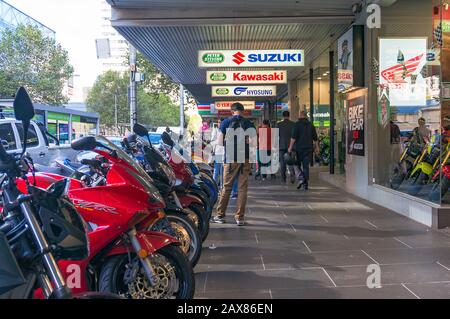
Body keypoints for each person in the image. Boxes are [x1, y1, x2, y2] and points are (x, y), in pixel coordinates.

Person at [213, 102, 255, 226]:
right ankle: (239, 218)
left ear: (232, 111)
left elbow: (220, 142)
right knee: (242, 188)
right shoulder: (248, 123)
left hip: (231, 158)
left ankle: (220, 215)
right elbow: (253, 143)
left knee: (227, 187)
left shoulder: (226, 122)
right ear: (243, 111)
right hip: (245, 158)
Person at [288, 110, 318, 190]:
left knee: (296, 164)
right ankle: (306, 183)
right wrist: (317, 148)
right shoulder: (311, 125)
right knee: (306, 166)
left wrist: (290, 148)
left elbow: (293, 138)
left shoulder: (297, 125)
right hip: (308, 149)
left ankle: (302, 179)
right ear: (306, 116)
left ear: (300, 115)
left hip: (299, 149)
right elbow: (315, 138)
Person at [277, 111, 296, 183]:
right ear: (289, 115)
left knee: (282, 163)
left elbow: (276, 136)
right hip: (291, 146)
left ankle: (283, 178)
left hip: (281, 146)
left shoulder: (279, 124)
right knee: (290, 161)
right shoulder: (293, 124)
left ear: (283, 116)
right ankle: (292, 175)